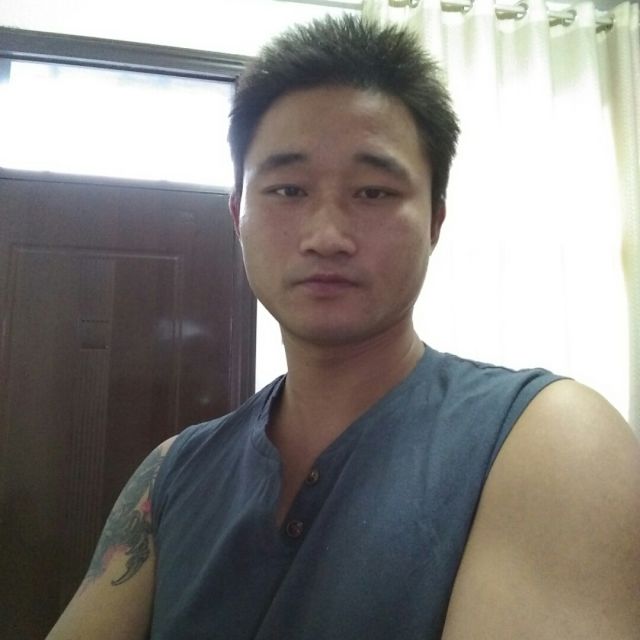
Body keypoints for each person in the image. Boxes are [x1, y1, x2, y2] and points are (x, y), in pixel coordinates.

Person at [47, 14, 640, 640]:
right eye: (287, 190)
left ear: (435, 221)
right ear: (237, 214)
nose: (326, 236)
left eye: (373, 192)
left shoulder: (547, 437)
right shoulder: (173, 472)